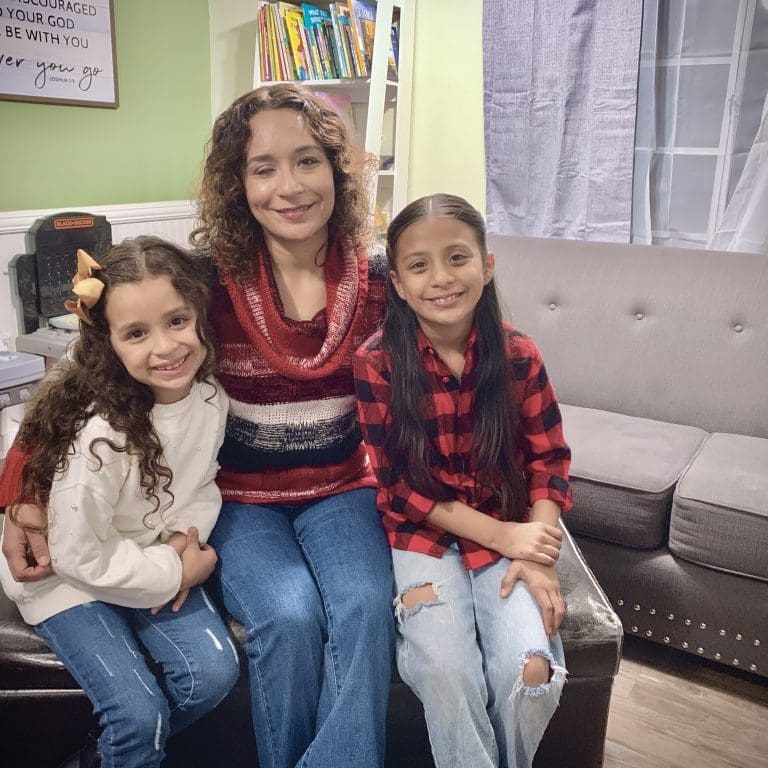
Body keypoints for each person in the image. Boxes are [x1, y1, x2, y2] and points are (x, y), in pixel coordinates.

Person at [1, 83, 394, 768]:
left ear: (337, 170)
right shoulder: (206, 282)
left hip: (342, 490)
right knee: (290, 615)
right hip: (239, 499)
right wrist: (19, 497)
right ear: (237, 184)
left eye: (308, 161)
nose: (289, 186)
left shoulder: (380, 282)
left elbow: (458, 362)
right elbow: (79, 382)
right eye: (262, 168)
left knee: (365, 608)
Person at [0, 237, 240, 768]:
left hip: (149, 551)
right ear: (108, 342)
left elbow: (203, 483)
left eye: (178, 321)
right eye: (136, 333)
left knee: (215, 673)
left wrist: (185, 538)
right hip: (63, 578)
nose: (166, 347)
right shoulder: (100, 436)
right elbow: (77, 556)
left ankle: (105, 758)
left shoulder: (209, 398)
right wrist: (173, 574)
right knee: (137, 714)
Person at [353, 193, 572, 768]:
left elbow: (549, 460)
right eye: (419, 266)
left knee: (530, 669)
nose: (441, 278)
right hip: (423, 538)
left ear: (487, 265)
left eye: (457, 258)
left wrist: (539, 551)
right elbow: (399, 487)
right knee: (446, 671)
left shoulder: (519, 354)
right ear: (397, 283)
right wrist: (504, 539)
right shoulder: (377, 362)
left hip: (511, 533)